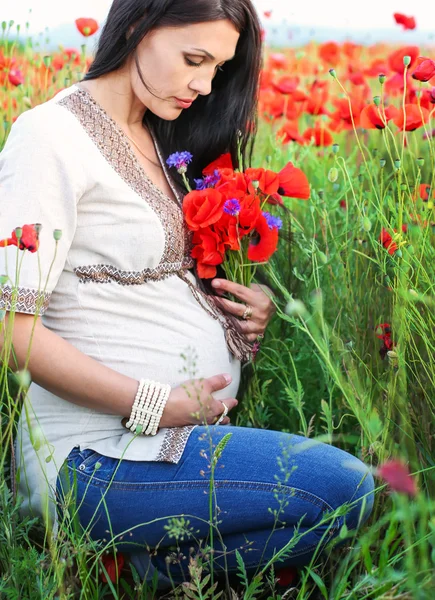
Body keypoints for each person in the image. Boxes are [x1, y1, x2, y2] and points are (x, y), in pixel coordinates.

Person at [0, 0, 374, 590]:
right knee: (347, 487)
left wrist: (244, 310)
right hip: (95, 456)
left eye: (217, 69)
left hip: (168, 445)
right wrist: (153, 403)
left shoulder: (160, 139)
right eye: (194, 59)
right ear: (138, 27)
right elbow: (11, 330)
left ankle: (133, 568)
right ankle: (111, 552)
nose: (203, 85)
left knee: (338, 515)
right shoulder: (49, 136)